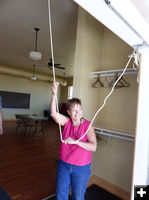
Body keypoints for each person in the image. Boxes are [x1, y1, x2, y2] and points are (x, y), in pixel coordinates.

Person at [50, 82, 97, 200]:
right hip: (64, 165)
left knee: (78, 196)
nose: (78, 113)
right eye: (74, 110)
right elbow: (53, 114)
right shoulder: (66, 122)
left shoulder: (88, 126)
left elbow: (93, 147)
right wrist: (54, 94)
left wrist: (76, 142)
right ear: (69, 113)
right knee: (61, 195)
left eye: (80, 109)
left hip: (81, 168)